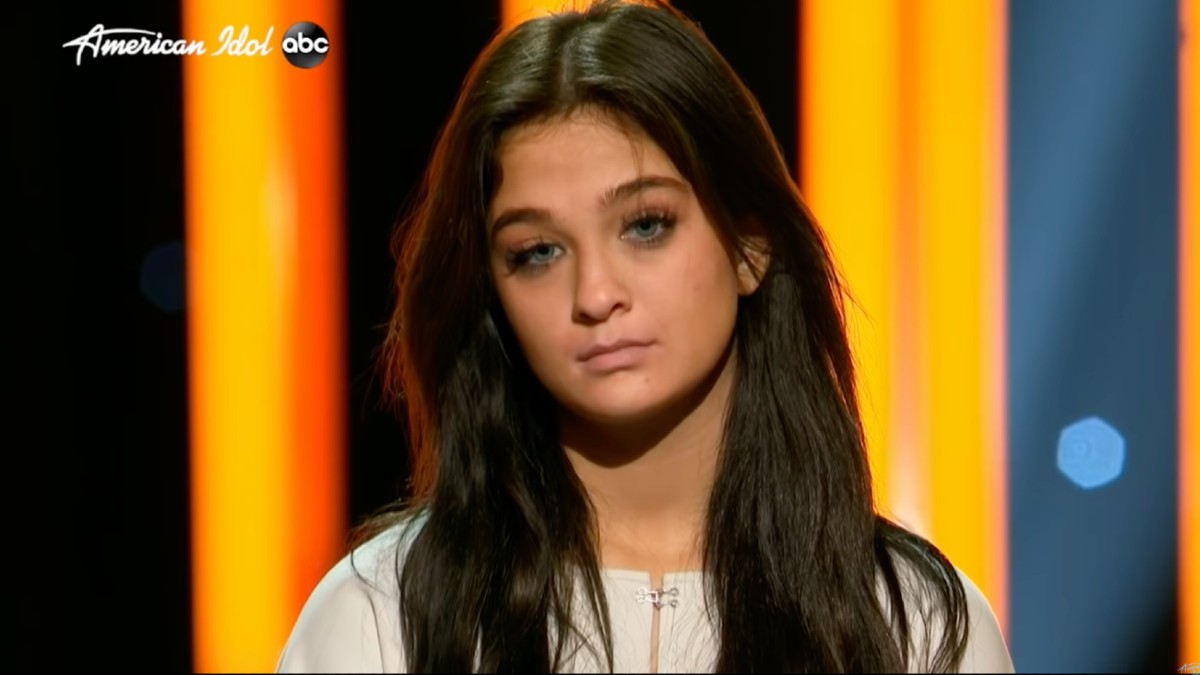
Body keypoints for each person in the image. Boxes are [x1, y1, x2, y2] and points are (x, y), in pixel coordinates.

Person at [275, 0, 1016, 672]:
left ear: (749, 245)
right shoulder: (381, 618)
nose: (596, 294)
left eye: (646, 225)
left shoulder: (913, 626)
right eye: (537, 251)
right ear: (491, 291)